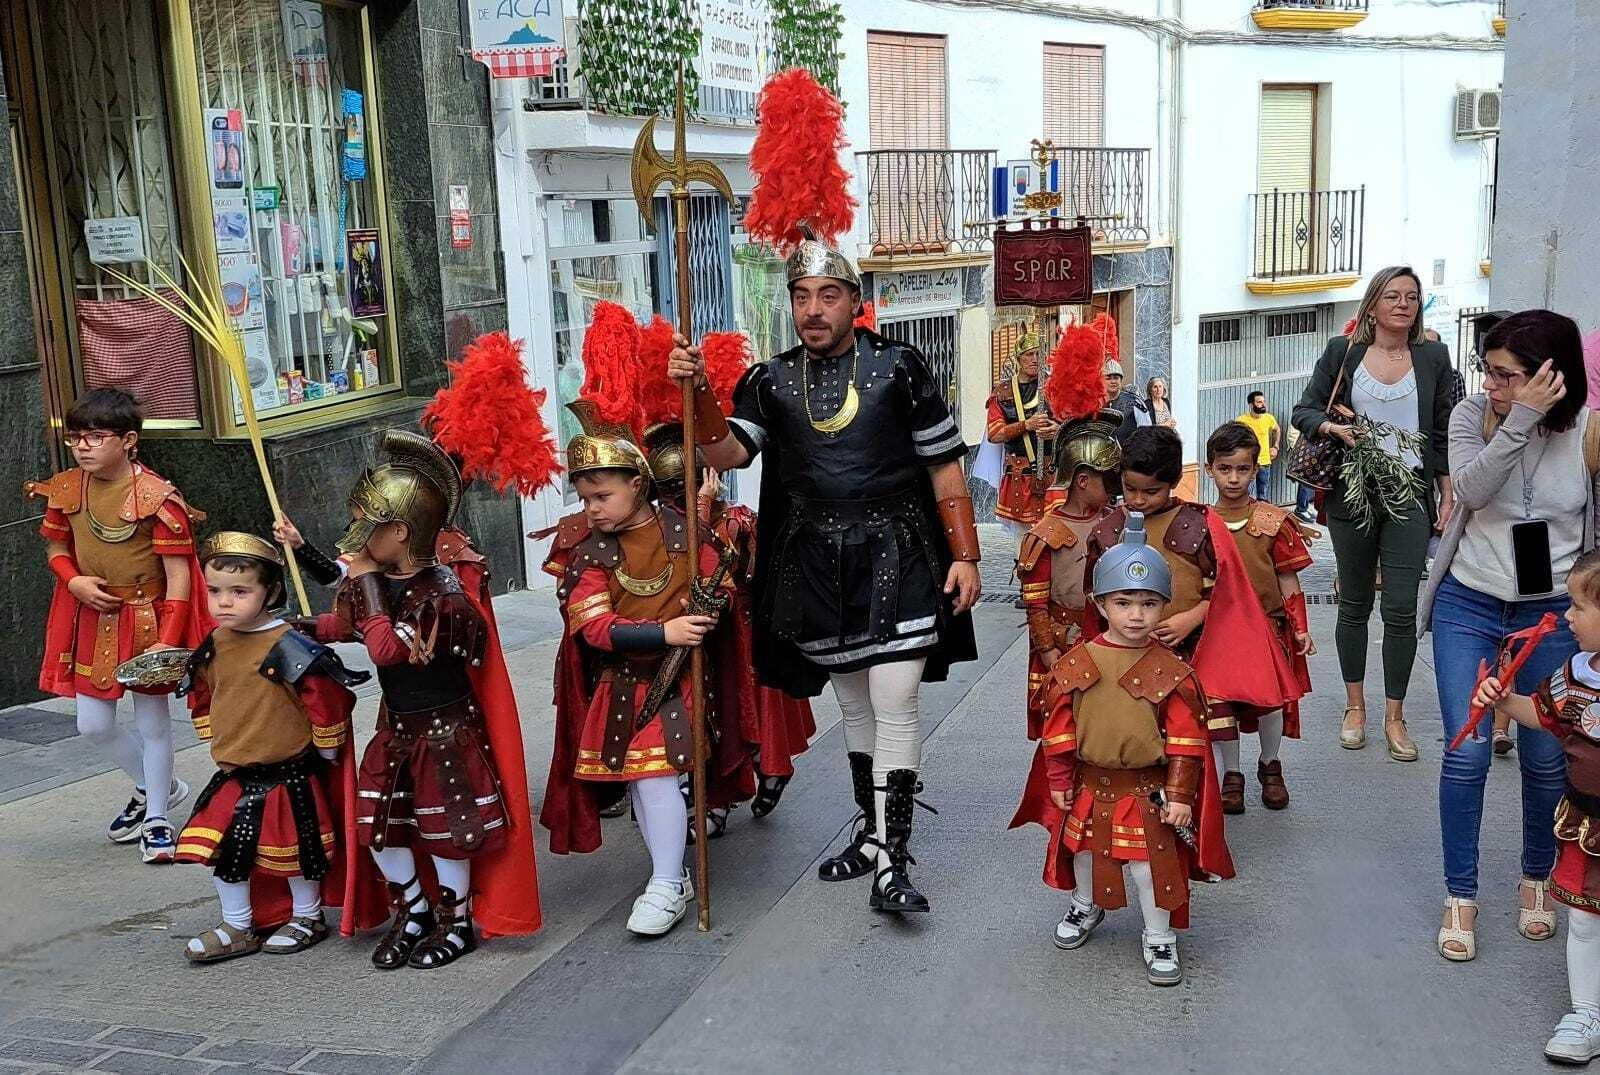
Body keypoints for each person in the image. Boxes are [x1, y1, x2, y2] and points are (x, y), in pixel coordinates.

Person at [667, 237, 981, 916]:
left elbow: (945, 464)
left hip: (900, 552)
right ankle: (871, 834)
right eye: (802, 296)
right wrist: (696, 392)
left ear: (855, 302)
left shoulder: (901, 366)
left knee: (895, 699)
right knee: (856, 707)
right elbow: (727, 450)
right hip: (814, 565)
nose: (814, 309)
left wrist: (966, 555)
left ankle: (893, 860)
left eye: (829, 294)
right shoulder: (768, 379)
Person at [300, 430, 541, 967]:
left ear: (402, 532)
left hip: (445, 731)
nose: (357, 545)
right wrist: (289, 627)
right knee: (380, 827)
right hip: (399, 729)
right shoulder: (382, 580)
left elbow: (385, 649)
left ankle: (456, 923)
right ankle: (414, 911)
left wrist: (363, 582)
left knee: (446, 833)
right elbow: (347, 626)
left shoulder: (444, 597)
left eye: (369, 532)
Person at [1419, 309, 1598, 963]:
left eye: (1507, 375)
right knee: (1465, 749)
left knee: (1548, 753)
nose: (1492, 384)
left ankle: (1535, 878)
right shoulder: (1473, 416)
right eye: (1489, 371)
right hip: (1470, 598)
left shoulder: (1589, 432)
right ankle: (1459, 895)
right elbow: (1469, 488)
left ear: (1549, 375)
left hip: (1550, 610)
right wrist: (1516, 418)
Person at [542, 405, 751, 935]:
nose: (592, 509)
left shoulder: (685, 532)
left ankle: (666, 880)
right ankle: (669, 871)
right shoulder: (589, 554)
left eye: (603, 495)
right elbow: (592, 627)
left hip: (683, 679)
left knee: (653, 776)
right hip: (621, 683)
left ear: (638, 483)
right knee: (642, 782)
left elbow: (722, 584)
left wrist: (712, 604)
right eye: (585, 498)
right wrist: (666, 632)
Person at [1025, 513, 1233, 986]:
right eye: (1123, 602)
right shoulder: (1078, 663)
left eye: (1148, 603)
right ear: (1100, 604)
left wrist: (1180, 796)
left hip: (1146, 793)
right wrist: (1058, 782)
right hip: (1087, 786)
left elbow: (1186, 741)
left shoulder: (1171, 670)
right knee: (1081, 854)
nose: (1136, 614)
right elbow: (1058, 730)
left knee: (1148, 866)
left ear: (1163, 606)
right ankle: (1085, 904)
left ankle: (1159, 934)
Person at [26, 387, 208, 864]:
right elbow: (56, 547)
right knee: (91, 725)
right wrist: (74, 581)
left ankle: (156, 821)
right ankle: (159, 788)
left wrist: (168, 643)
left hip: (149, 619)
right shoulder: (65, 488)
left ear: (128, 440)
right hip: (93, 616)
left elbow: (179, 575)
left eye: (96, 437)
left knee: (152, 723)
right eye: (76, 438)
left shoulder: (158, 498)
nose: (83, 446)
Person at [175, 532, 372, 963]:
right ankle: (237, 924)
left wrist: (325, 752)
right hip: (234, 772)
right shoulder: (215, 643)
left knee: (299, 854)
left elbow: (327, 699)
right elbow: (203, 692)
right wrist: (216, 734)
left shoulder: (289, 644)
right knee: (223, 852)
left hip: (288, 774)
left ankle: (307, 916)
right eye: (214, 591)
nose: (223, 602)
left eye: (239, 591)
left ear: (273, 592)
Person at [1292, 266, 1456, 759]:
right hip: (1352, 493)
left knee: (1402, 607)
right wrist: (1332, 430)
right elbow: (1305, 409)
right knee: (1355, 602)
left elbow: (1444, 429)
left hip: (1410, 495)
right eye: (1393, 296)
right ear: (1373, 304)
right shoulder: (1344, 354)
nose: (1403, 304)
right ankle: (1355, 707)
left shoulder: (1433, 357)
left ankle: (1395, 716)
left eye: (1412, 296)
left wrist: (1447, 493)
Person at [641, 421, 815, 836]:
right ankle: (711, 800)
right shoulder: (655, 528)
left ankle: (758, 776)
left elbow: (710, 567)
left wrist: (703, 510)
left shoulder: (736, 522)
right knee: (699, 723)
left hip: (738, 643)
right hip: (683, 642)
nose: (672, 502)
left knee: (742, 719)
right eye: (665, 492)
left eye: (676, 490)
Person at [1079, 426, 1301, 739]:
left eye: (1151, 491)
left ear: (1174, 481)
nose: (1139, 499)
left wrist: (1192, 617)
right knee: (1137, 733)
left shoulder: (1198, 523)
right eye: (1130, 489)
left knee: (1195, 737)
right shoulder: (1106, 530)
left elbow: (1226, 589)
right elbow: (1093, 597)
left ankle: (1235, 779)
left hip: (1193, 652)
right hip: (1125, 653)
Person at [1474, 552, 1600, 1063]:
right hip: (1588, 820)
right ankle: (1587, 1012)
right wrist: (1503, 701)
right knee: (1584, 921)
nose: (1567, 617)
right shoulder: (1574, 672)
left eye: (1579, 607)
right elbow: (1541, 716)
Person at [1203, 422, 1316, 812]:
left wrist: (1300, 627)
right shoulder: (1200, 522)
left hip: (1268, 628)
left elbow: (1288, 578)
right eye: (1224, 468)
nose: (1233, 478)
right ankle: (1231, 773)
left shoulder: (1272, 520)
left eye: (1242, 469)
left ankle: (1270, 764)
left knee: (1270, 702)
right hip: (1216, 632)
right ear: (1209, 469)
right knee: (1220, 704)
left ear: (1255, 470)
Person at [1016, 412, 1121, 739]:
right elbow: (1036, 605)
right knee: (1065, 731)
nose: (1116, 488)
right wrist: (1049, 651)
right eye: (1109, 478)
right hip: (1065, 644)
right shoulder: (1046, 533)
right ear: (1083, 480)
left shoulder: (1115, 522)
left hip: (1111, 639)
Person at [987, 333, 1060, 544]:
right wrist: (1025, 425)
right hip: (1019, 473)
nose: (1035, 359)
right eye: (1029, 354)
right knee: (1024, 540)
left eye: (1038, 354)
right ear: (1018, 359)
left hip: (1051, 471)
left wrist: (1056, 430)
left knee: (1053, 535)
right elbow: (995, 433)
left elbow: (1071, 423)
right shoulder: (1003, 391)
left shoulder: (1053, 388)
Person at [1236, 391, 1280, 502]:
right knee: (1246, 494)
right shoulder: (1241, 421)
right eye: (1259, 402)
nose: (1263, 404)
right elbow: (1234, 438)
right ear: (1251, 405)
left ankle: (1261, 517)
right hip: (1248, 463)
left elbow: (1277, 429)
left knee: (1262, 495)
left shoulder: (1268, 418)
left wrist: (1275, 446)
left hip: (1264, 462)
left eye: (1264, 402)